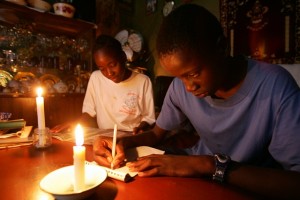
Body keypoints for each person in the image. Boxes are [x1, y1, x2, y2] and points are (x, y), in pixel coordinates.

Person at [92, 4, 300, 199]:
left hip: (245, 185)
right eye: (179, 77)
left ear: (221, 47)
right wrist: (121, 143)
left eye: (193, 74)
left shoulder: (276, 87)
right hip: (200, 180)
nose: (188, 87)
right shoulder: (179, 88)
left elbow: (295, 183)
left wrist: (209, 165)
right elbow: (156, 134)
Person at [52, 35, 155, 135]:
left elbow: (149, 118)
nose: (109, 73)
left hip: (130, 136)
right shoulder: (96, 78)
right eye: (102, 69)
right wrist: (73, 123)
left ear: (123, 57)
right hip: (104, 136)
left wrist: (141, 127)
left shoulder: (143, 81)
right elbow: (89, 113)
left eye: (112, 65)